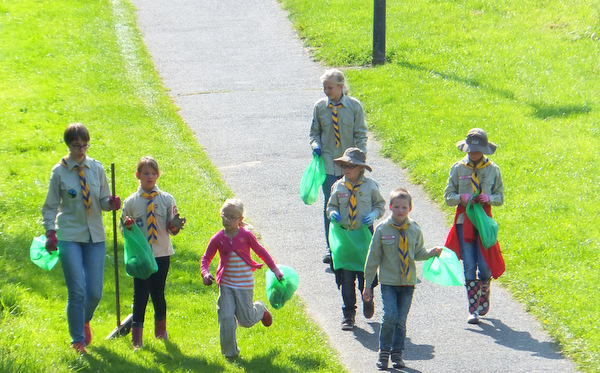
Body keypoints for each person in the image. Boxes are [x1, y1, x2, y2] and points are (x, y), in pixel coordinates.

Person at [42, 122, 121, 355]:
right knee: (77, 290)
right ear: (68, 145)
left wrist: (111, 204)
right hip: (69, 235)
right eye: (77, 146)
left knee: (95, 291)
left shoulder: (96, 168)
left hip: (95, 236)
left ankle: (84, 319)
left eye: (85, 145)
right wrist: (50, 232)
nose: (81, 150)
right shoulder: (59, 171)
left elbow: (104, 200)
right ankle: (77, 340)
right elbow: (49, 207)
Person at [363, 188, 442, 369]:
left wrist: (431, 253)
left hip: (408, 283)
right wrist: (368, 285)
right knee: (390, 316)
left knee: (401, 320)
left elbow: (418, 252)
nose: (400, 210)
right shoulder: (383, 229)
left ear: (410, 208)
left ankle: (397, 354)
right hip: (389, 282)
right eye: (396, 207)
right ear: (390, 207)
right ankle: (384, 353)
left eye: (404, 207)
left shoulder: (414, 229)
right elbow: (372, 258)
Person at [201, 199, 284, 359]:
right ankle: (230, 354)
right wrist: (205, 273)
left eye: (233, 217)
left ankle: (259, 309)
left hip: (244, 284)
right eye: (225, 216)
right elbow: (206, 258)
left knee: (245, 320)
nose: (228, 220)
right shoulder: (218, 238)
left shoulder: (245, 235)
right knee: (225, 318)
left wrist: (275, 269)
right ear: (221, 215)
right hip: (226, 284)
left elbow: (261, 251)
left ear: (240, 220)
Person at [120, 156, 186, 349]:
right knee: (140, 295)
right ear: (137, 175)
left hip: (161, 253)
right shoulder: (131, 202)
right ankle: (137, 340)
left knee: (158, 293)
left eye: (153, 173)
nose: (149, 177)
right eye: (145, 173)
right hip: (141, 256)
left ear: (158, 175)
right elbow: (123, 228)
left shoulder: (166, 199)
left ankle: (160, 332)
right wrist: (128, 226)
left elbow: (172, 227)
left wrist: (175, 226)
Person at [443, 128, 505, 324]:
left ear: (484, 150)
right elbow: (448, 196)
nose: (473, 154)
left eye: (477, 150)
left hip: (484, 222)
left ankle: (485, 287)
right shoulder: (458, 168)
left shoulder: (493, 169)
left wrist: (489, 197)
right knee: (469, 264)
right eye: (471, 150)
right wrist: (461, 197)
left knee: (485, 266)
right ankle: (473, 309)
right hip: (464, 222)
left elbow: (500, 197)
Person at [309, 68, 368, 264]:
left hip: (350, 165)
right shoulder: (320, 107)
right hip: (328, 165)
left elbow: (360, 134)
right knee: (331, 205)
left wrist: (360, 159)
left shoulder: (353, 107)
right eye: (325, 87)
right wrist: (315, 145)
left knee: (355, 202)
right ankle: (332, 247)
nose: (327, 91)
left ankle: (356, 245)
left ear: (342, 87)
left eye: (330, 87)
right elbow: (314, 133)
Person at [326, 148, 385, 330]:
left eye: (351, 166)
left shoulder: (370, 186)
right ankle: (348, 314)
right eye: (344, 166)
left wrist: (374, 214)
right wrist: (333, 212)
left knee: (365, 273)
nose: (347, 170)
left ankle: (368, 297)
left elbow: (380, 205)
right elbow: (330, 207)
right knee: (345, 277)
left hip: (364, 236)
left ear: (361, 168)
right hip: (345, 237)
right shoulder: (338, 186)